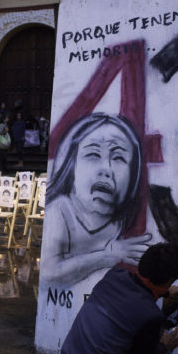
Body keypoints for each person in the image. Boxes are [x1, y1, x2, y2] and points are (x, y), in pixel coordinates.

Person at [61, 242, 178, 354]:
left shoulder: (114, 275)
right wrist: (165, 346)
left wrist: (165, 292)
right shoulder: (151, 315)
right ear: (168, 281)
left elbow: (140, 288)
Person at [41, 113, 150, 286]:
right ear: (71, 166)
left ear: (133, 175)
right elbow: (49, 271)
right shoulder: (60, 210)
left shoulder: (123, 220)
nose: (106, 169)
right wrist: (107, 256)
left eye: (118, 158)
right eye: (93, 154)